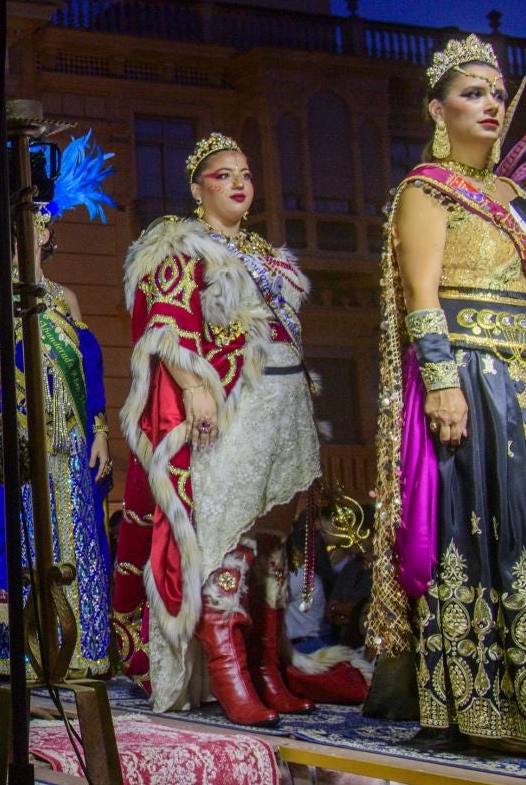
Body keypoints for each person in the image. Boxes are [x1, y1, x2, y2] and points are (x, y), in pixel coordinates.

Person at [365, 37, 526, 751]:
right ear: (438, 109)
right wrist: (441, 383)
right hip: (474, 379)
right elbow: (422, 293)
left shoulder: (513, 201)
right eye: (472, 92)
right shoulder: (426, 189)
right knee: (489, 529)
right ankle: (484, 709)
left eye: (496, 91)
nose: (490, 102)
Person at [110, 132, 357, 727]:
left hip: (286, 406)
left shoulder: (268, 257)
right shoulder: (180, 247)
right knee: (229, 538)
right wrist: (195, 387)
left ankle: (265, 667)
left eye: (245, 172)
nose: (239, 182)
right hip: (232, 408)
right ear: (198, 189)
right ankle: (228, 675)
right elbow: (164, 326)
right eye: (223, 175)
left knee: (273, 542)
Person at [0, 134, 117, 675]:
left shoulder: (66, 299)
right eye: (26, 224)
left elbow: (90, 376)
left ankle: (82, 653)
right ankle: (20, 655)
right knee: (23, 544)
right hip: (21, 444)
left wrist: (101, 432)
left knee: (78, 543)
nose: (34, 233)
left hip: (70, 442)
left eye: (43, 225)